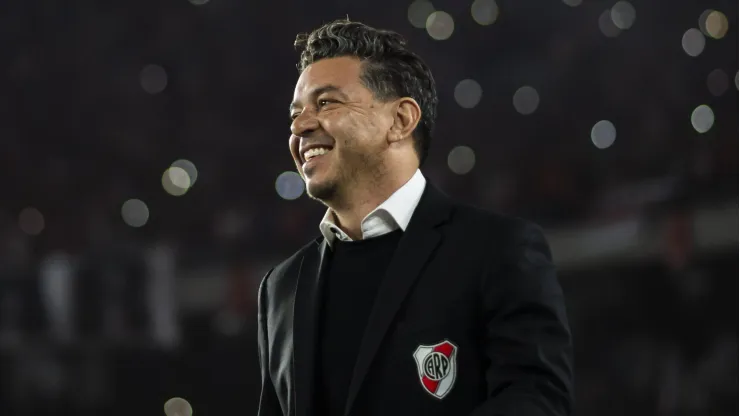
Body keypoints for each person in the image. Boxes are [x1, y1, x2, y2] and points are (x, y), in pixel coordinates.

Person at [257, 19, 573, 416]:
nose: (301, 126)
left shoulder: (496, 250)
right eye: (295, 114)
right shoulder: (282, 287)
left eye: (326, 102)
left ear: (401, 120)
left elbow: (537, 402)